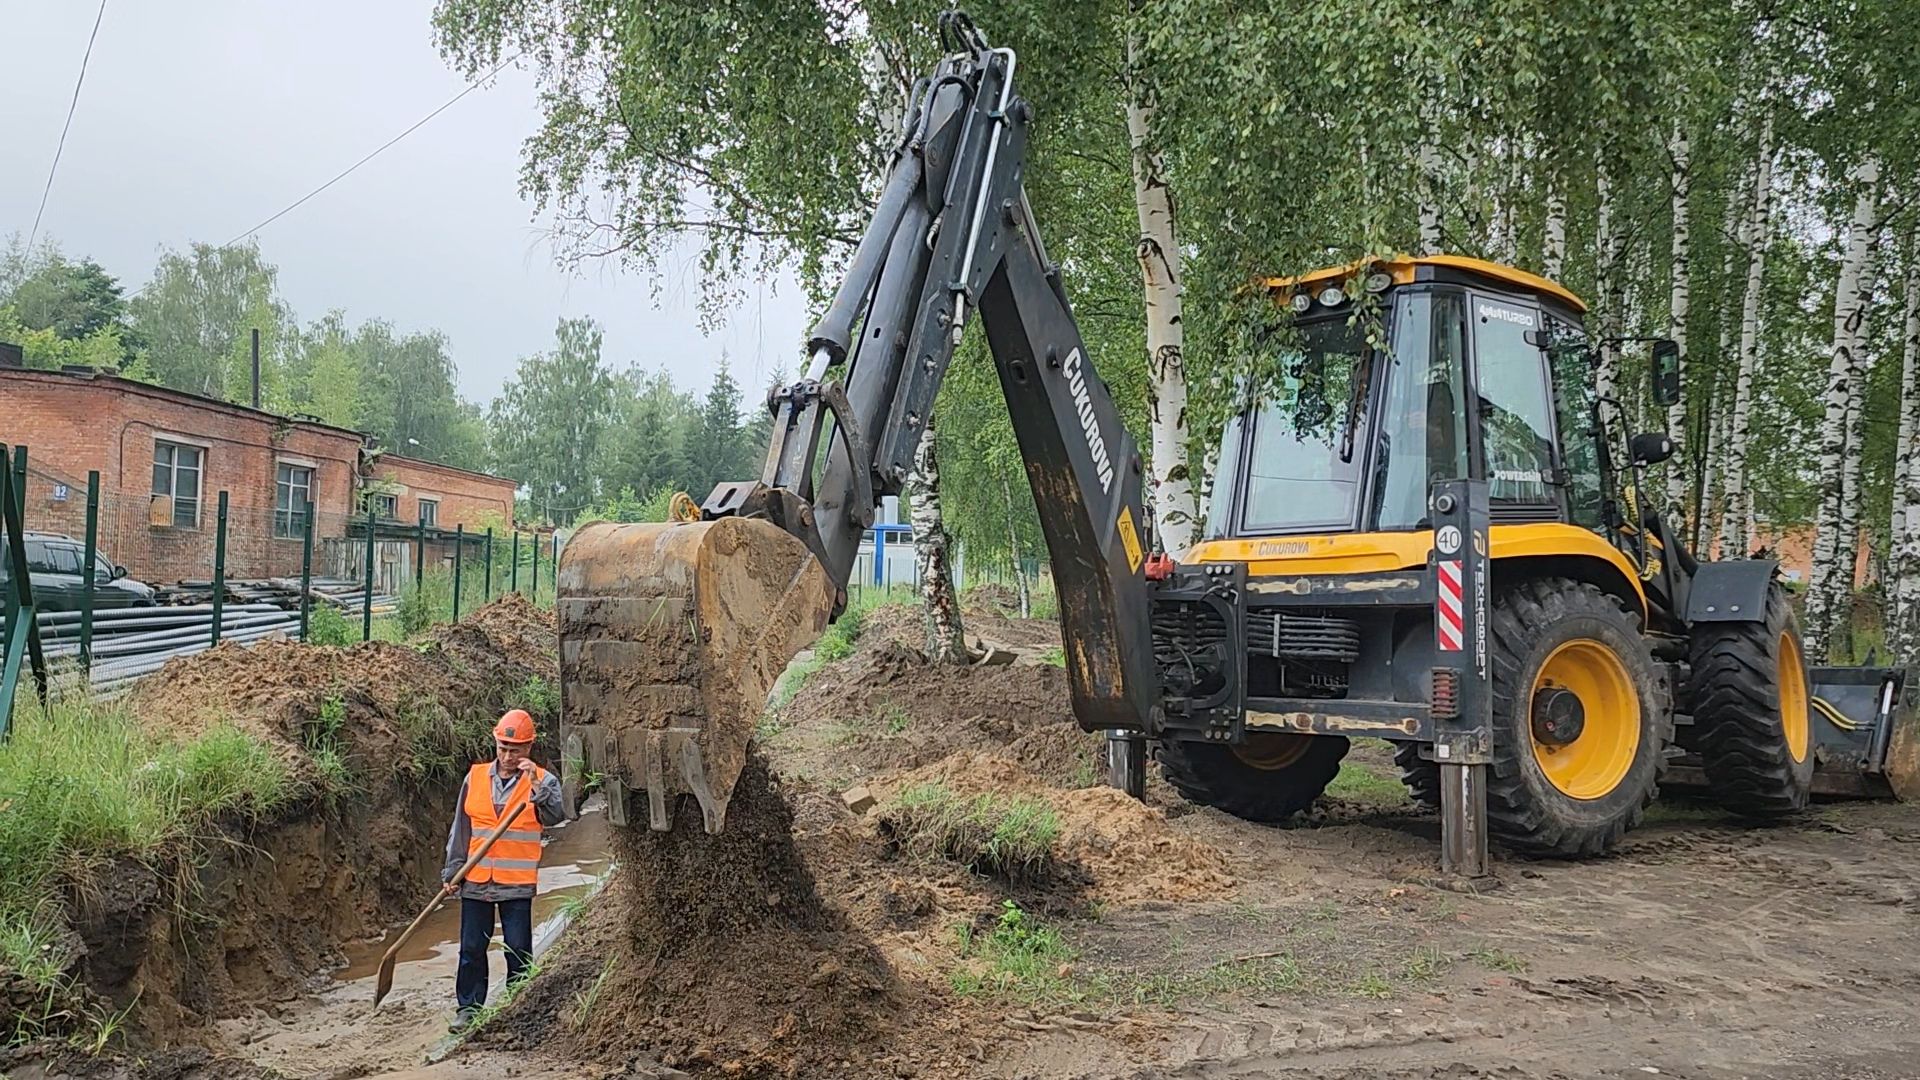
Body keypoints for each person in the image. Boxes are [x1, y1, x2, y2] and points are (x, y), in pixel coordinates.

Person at [441, 708, 565, 1031]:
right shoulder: (476, 777)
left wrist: (536, 783)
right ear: (495, 743)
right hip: (477, 879)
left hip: (515, 882)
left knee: (518, 948)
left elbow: (555, 816)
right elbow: (461, 830)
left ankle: (520, 1004)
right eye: (503, 748)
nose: (508, 756)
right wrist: (452, 873)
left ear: (529, 748)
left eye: (516, 750)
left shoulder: (542, 781)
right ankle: (468, 1008)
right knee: (471, 948)